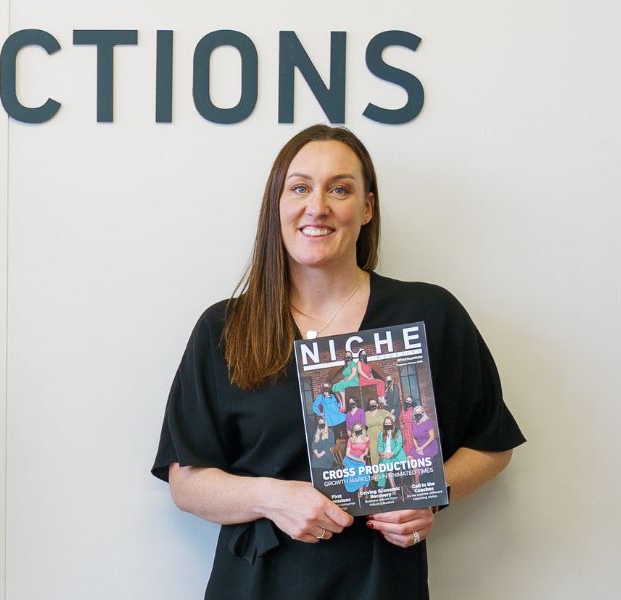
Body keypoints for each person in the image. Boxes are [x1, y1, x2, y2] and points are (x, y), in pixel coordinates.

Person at [152, 125, 524, 598]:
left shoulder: (428, 315)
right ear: (278, 206)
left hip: (381, 581)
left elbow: (492, 444)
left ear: (367, 208)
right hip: (256, 582)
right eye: (300, 187)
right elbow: (186, 481)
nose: (318, 206)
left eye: (340, 189)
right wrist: (273, 498)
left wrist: (430, 493)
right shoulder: (224, 327)